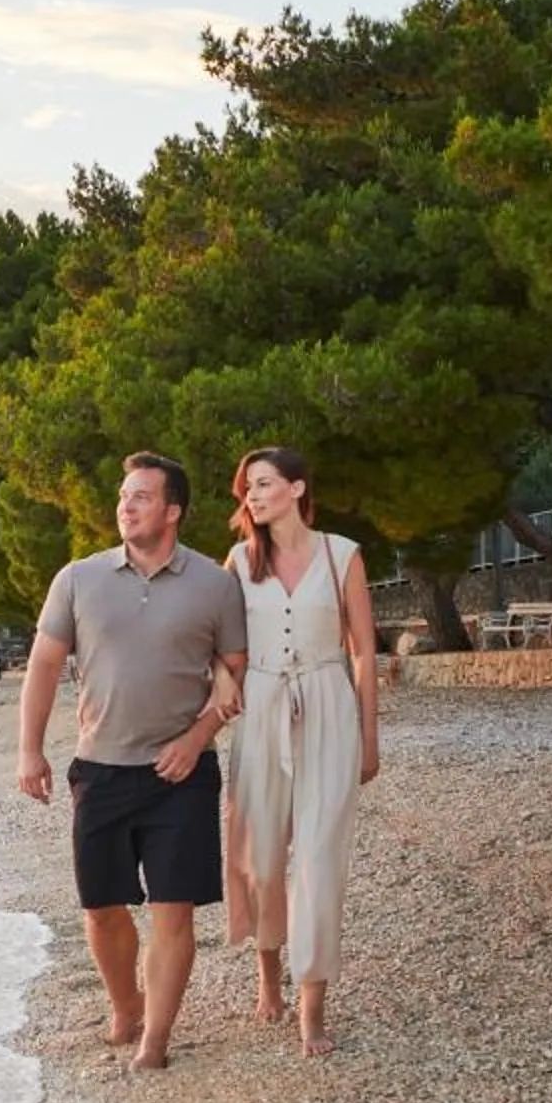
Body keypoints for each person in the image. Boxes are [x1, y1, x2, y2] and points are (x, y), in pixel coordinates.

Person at [16, 452, 248, 1071]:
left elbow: (234, 676)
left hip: (181, 773)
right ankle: (125, 1004)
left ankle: (157, 1039)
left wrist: (196, 738)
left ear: (173, 510)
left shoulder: (215, 585)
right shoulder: (77, 579)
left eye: (141, 496)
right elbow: (43, 665)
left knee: (172, 908)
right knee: (101, 907)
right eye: (123, 496)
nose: (126, 505)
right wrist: (29, 748)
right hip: (100, 768)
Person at [216, 445, 381, 1057]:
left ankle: (312, 1005)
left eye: (262, 484)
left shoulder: (343, 555)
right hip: (260, 707)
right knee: (261, 856)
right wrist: (221, 677)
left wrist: (370, 736)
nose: (252, 497)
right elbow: (219, 643)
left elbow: (363, 650)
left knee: (318, 859)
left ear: (297, 488)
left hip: (328, 705)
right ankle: (267, 979)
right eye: (247, 490)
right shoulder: (237, 561)